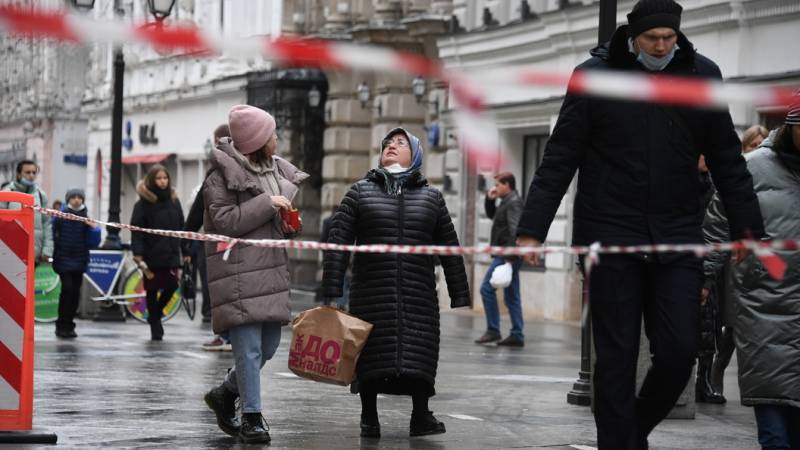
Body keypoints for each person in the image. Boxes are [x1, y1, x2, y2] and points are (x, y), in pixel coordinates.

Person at [513, 0, 765, 448]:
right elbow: (560, 157)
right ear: (634, 37)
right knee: (615, 358)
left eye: (669, 39)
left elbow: (727, 158)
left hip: (676, 236)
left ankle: (630, 435)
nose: (662, 47)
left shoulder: (701, 75)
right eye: (653, 39)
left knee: (678, 353)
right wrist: (532, 229)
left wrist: (746, 229)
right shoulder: (595, 76)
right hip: (609, 236)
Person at [322, 127, 470, 439]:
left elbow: (449, 248)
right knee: (371, 354)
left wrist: (460, 292)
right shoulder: (360, 192)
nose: (391, 145)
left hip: (418, 295)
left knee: (421, 356)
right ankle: (369, 416)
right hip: (371, 292)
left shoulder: (432, 198)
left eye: (400, 143)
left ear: (415, 155)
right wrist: (332, 290)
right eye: (388, 142)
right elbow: (338, 243)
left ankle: (421, 415)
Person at [203, 105, 307, 444]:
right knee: (247, 348)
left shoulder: (277, 171)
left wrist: (289, 223)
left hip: (272, 270)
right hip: (238, 271)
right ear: (258, 141)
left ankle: (225, 392)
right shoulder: (221, 176)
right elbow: (225, 221)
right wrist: (268, 204)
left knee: (270, 344)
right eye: (272, 134)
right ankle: (252, 416)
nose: (277, 139)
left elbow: (274, 218)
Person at [703, 97, 800, 450]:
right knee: (773, 417)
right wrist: (703, 278)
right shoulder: (752, 168)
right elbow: (716, 227)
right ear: (792, 128)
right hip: (764, 300)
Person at [182, 124, 232, 352]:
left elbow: (199, 207)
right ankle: (231, 335)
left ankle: (224, 335)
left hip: (219, 241)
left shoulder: (218, 169)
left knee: (219, 289)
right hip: (240, 240)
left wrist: (186, 236)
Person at [130, 164, 184, 341]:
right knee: (152, 290)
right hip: (151, 255)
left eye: (165, 178)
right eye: (159, 178)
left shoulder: (174, 201)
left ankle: (155, 315)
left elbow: (182, 228)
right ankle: (155, 326)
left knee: (172, 286)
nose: (163, 182)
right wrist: (138, 253)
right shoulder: (142, 204)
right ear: (152, 180)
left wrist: (186, 250)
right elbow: (136, 230)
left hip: (170, 254)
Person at [475, 172, 524, 346]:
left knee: (486, 289)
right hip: (508, 254)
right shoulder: (508, 201)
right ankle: (517, 334)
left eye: (498, 185)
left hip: (507, 255)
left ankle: (493, 330)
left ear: (507, 185)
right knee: (512, 296)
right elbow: (493, 216)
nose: (495, 188)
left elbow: (515, 230)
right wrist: (490, 200)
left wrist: (509, 259)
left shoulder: (514, 203)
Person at [51, 188, 101, 338]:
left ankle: (70, 324)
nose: (77, 200)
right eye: (74, 197)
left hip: (79, 261)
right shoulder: (60, 216)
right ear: (68, 199)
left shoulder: (85, 218)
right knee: (67, 290)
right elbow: (52, 234)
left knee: (75, 294)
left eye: (80, 197)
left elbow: (93, 243)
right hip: (63, 260)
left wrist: (94, 229)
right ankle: (61, 324)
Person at [0, 160, 53, 264]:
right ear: (19, 174)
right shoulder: (6, 193)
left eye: (34, 172)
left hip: (34, 254)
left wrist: (47, 250)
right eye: (27, 172)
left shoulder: (41, 195)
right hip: (10, 252)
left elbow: (46, 224)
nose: (31, 175)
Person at [319, 205, 349, 310]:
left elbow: (323, 238)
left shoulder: (327, 221)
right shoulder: (345, 221)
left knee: (327, 278)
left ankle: (326, 301)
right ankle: (342, 302)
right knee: (342, 279)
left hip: (329, 254)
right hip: (341, 255)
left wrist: (325, 253)